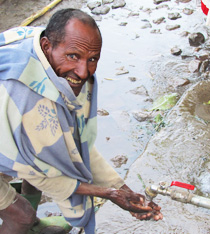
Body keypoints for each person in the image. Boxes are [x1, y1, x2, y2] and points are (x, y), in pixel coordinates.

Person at [0, 8, 163, 234]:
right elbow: (45, 175)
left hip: (15, 140)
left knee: (44, 154)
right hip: (10, 136)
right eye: (73, 56)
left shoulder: (42, 47)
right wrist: (111, 194)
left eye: (93, 59)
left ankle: (35, 223)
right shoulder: (29, 104)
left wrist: (121, 188)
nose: (83, 72)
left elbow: (74, 143)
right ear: (48, 46)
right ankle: (27, 223)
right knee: (21, 216)